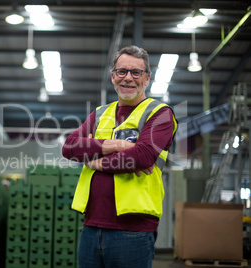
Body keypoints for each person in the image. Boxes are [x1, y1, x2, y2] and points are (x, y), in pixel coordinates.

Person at [62, 45, 177, 268]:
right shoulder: (100, 114)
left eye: (136, 72)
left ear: (147, 78)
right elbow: (70, 147)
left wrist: (94, 161)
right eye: (122, 71)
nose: (128, 78)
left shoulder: (160, 113)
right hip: (91, 227)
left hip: (133, 230)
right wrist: (115, 145)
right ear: (113, 76)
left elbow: (141, 157)